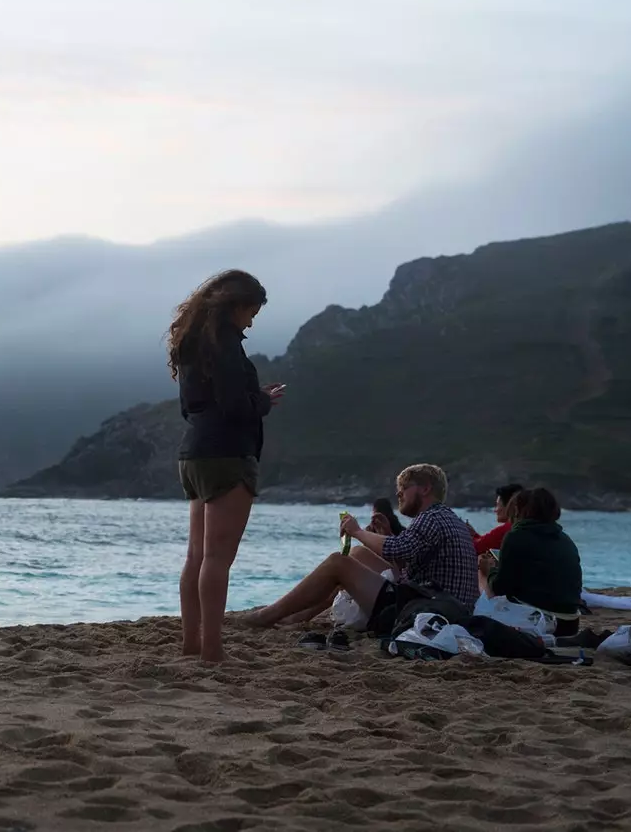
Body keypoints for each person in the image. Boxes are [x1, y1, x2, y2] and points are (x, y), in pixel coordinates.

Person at [171, 269, 284, 663]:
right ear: (235, 306)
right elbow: (237, 408)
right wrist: (264, 401)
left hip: (194, 453)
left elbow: (193, 406)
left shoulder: (192, 345)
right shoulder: (225, 347)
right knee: (218, 559)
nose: (251, 321)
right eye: (251, 311)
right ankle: (213, 651)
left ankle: (191, 644)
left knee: (196, 557)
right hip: (227, 455)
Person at [241, 463, 477, 632]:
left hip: (426, 614)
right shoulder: (447, 518)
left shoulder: (431, 518)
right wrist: (384, 536)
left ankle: (265, 616)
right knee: (358, 555)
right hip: (443, 607)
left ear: (425, 489)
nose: (399, 495)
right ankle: (298, 616)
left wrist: (357, 531)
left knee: (338, 562)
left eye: (403, 489)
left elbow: (396, 550)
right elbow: (413, 566)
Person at [481, 488, 583, 616]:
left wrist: (489, 570)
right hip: (570, 620)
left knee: (481, 575)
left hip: (539, 619)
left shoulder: (516, 536)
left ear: (517, 509)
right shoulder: (565, 539)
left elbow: (500, 588)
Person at [469, 483, 524, 554]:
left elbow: (474, 548)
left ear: (509, 506)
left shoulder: (507, 529)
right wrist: (474, 535)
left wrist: (464, 534)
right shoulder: (522, 526)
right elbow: (489, 543)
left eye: (497, 505)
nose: (495, 510)